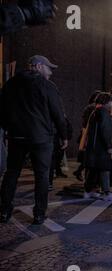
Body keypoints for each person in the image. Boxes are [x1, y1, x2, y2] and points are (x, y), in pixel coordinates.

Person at [0, 55, 67, 225]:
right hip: (41, 138)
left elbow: (1, 109)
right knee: (42, 175)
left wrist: (8, 128)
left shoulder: (10, 84)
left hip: (16, 136)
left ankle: (4, 211)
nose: (50, 72)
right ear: (38, 66)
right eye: (48, 68)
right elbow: (58, 114)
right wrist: (64, 135)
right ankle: (39, 214)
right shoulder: (47, 86)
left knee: (12, 173)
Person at [84, 93, 112, 202]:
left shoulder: (95, 112)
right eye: (110, 101)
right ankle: (106, 193)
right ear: (106, 102)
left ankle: (89, 191)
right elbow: (105, 131)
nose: (111, 104)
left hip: (93, 147)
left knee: (93, 168)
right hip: (101, 148)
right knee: (105, 169)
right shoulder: (104, 113)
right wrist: (109, 146)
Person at [73, 91, 101, 182]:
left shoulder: (91, 107)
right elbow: (87, 122)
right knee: (88, 156)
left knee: (87, 156)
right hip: (88, 134)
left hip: (87, 133)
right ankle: (82, 173)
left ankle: (79, 171)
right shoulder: (92, 108)